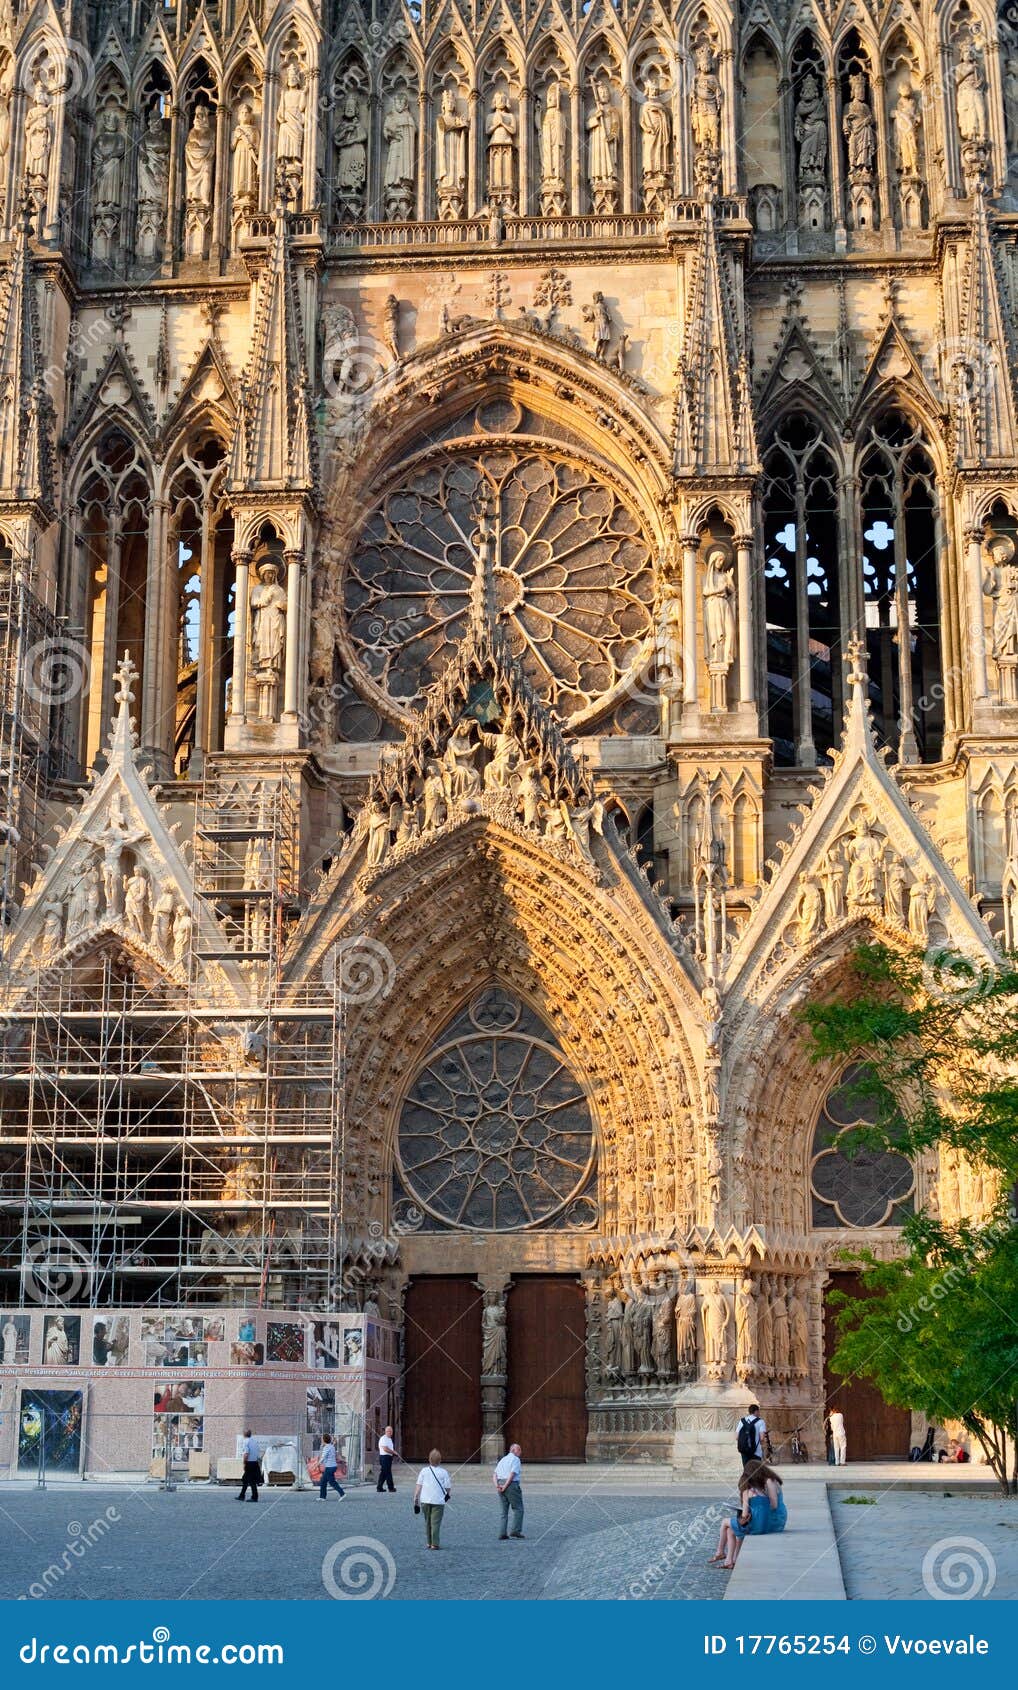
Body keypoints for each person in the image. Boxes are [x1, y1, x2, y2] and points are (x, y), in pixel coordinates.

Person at [708, 1463, 787, 1569]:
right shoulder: (762, 1486)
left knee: (725, 1522)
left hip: (774, 1519)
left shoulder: (769, 1481)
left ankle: (720, 1552)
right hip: (767, 1518)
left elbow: (774, 1505)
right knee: (730, 1530)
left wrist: (756, 1512)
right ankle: (730, 1560)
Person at [413, 1449, 452, 1550]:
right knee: (436, 1522)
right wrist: (447, 1495)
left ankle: (428, 1542)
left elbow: (418, 1485)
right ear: (440, 1460)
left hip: (425, 1500)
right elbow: (448, 1487)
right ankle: (435, 1543)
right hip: (438, 1501)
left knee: (427, 1522)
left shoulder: (424, 1471)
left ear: (429, 1460)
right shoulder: (444, 1472)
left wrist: (416, 1497)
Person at [494, 1443, 524, 1540]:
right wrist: (506, 1486)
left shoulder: (503, 1460)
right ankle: (515, 1531)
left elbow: (494, 1474)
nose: (520, 1452)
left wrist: (497, 1486)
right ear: (514, 1450)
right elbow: (512, 1474)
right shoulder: (515, 1459)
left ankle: (502, 1533)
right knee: (518, 1509)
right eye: (519, 1450)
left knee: (504, 1512)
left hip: (500, 1483)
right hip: (511, 1485)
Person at [318, 1435, 346, 1500]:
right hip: (332, 1466)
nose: (321, 1440)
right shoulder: (331, 1447)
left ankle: (342, 1494)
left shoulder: (326, 1448)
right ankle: (322, 1497)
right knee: (323, 1481)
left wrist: (318, 1463)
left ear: (324, 1440)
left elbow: (323, 1456)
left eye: (322, 1439)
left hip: (329, 1467)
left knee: (332, 1482)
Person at [238, 1429, 260, 1502]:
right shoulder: (255, 1441)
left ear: (244, 1434)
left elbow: (246, 1454)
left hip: (249, 1463)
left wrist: (244, 1463)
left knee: (251, 1481)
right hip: (255, 1462)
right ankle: (242, 1495)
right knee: (245, 1479)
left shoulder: (245, 1441)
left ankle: (254, 1497)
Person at [376, 1425, 398, 1493]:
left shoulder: (389, 1439)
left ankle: (379, 1487)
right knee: (388, 1473)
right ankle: (391, 1488)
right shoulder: (383, 1438)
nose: (390, 1432)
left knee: (383, 1473)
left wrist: (393, 1453)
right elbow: (385, 1449)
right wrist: (393, 1452)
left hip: (388, 1457)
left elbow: (389, 1448)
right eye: (388, 1431)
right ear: (385, 1431)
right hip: (384, 1457)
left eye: (391, 1431)